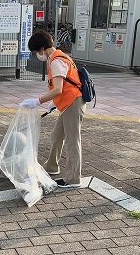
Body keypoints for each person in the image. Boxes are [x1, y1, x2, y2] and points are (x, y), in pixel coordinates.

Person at [19, 30, 86, 188]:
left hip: (73, 103)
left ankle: (73, 179)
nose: (37, 55)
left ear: (42, 49)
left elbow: (58, 89)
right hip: (69, 102)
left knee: (72, 141)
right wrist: (53, 104)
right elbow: (66, 84)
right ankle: (51, 166)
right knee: (57, 135)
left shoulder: (56, 61)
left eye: (36, 51)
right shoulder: (59, 57)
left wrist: (38, 101)